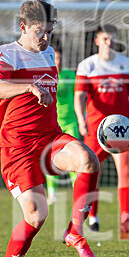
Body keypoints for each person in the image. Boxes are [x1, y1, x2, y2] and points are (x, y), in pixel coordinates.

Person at [0, 0, 101, 257]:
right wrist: (28, 87)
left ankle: (75, 231)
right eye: (40, 31)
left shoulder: (48, 53)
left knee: (88, 160)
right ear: (23, 27)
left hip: (50, 137)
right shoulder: (7, 53)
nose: (46, 37)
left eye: (50, 31)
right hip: (18, 146)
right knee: (36, 215)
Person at [75, 25, 129, 239]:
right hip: (95, 131)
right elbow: (79, 97)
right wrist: (81, 121)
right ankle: (93, 218)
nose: (109, 43)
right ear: (97, 41)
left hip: (122, 131)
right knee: (91, 173)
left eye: (112, 39)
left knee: (126, 173)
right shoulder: (87, 65)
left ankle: (125, 221)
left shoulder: (126, 64)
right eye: (105, 39)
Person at [45, 42, 78, 205]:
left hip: (71, 123)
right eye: (54, 58)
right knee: (52, 159)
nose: (57, 61)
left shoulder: (70, 75)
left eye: (59, 58)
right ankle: (52, 194)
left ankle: (77, 191)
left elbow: (79, 97)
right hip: (52, 124)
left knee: (75, 158)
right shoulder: (45, 77)